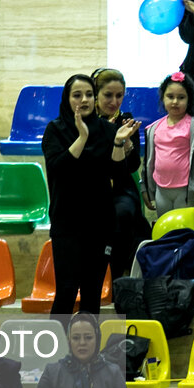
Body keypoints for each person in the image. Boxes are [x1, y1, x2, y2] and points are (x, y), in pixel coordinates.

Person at [42, 74, 138, 316]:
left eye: (88, 95)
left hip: (100, 224)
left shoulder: (107, 130)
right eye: (77, 95)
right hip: (67, 224)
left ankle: (88, 353)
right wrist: (82, 137)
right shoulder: (55, 130)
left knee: (92, 293)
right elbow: (59, 168)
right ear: (67, 99)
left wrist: (118, 144)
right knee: (66, 290)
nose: (83, 100)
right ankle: (56, 351)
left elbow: (117, 172)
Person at [92, 68, 151, 278]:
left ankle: (119, 273)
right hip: (92, 187)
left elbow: (133, 166)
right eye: (108, 95)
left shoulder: (126, 120)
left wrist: (127, 147)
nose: (114, 101)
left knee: (123, 214)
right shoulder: (86, 123)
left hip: (120, 188)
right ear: (96, 95)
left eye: (119, 96)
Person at [141, 71, 194, 215]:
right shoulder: (153, 129)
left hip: (185, 191)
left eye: (181, 97)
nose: (175, 102)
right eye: (170, 97)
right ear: (162, 98)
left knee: (183, 230)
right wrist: (145, 188)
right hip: (161, 190)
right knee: (165, 229)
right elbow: (148, 162)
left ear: (189, 100)